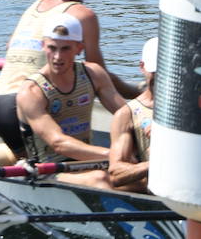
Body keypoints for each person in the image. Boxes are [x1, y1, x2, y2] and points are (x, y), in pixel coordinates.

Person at [0, 0, 141, 159]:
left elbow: (10, 47)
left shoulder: (36, 5)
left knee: (32, 164)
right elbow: (99, 74)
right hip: (33, 102)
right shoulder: (84, 15)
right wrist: (139, 93)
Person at [14, 15, 124, 187]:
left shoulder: (93, 73)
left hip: (89, 162)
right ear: (43, 46)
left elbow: (126, 115)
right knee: (99, 179)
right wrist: (115, 154)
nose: (58, 56)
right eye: (52, 48)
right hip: (48, 170)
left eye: (65, 49)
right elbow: (59, 143)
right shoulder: (31, 92)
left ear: (79, 48)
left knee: (143, 177)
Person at [108, 37, 156, 194]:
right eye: (155, 70)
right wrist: (157, 164)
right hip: (158, 190)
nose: (162, 76)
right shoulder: (126, 114)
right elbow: (116, 173)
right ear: (142, 67)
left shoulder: (196, 106)